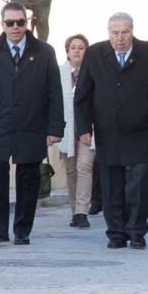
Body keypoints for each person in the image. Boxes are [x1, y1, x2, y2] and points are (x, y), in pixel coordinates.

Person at [0, 3, 63, 244]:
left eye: (20, 22)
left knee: (28, 179)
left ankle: (22, 230)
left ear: (27, 23)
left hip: (31, 127)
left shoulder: (44, 52)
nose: (15, 27)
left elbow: (54, 92)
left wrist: (55, 128)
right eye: (10, 22)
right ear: (2, 24)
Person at [75, 12, 148, 250]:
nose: (120, 38)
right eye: (115, 33)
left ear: (132, 31)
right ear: (108, 33)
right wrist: (84, 128)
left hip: (141, 129)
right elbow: (83, 95)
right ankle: (116, 233)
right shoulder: (95, 54)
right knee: (111, 184)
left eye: (124, 32)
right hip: (108, 130)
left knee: (139, 183)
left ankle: (137, 231)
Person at [58, 34, 95, 228]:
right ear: (67, 51)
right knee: (71, 170)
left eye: (81, 47)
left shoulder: (93, 71)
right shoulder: (59, 72)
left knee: (84, 167)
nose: (77, 51)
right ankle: (74, 210)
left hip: (87, 127)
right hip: (66, 127)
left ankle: (82, 211)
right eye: (73, 47)